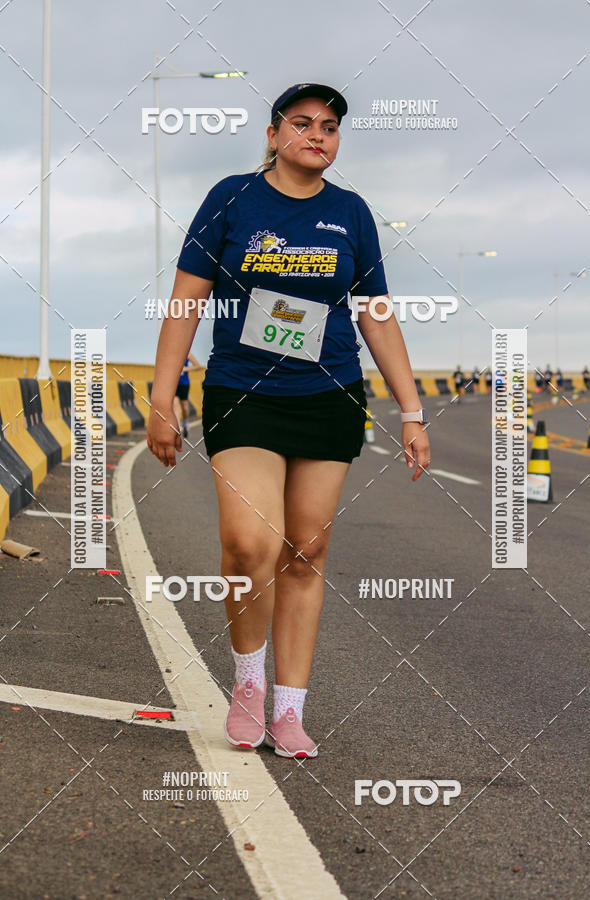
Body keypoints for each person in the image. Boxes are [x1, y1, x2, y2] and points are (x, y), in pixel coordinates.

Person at [146, 82, 430, 759]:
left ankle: (290, 710)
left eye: (329, 127)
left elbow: (376, 315)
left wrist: (412, 412)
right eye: (302, 124)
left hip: (329, 394)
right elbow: (186, 302)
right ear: (273, 135)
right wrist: (164, 397)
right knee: (250, 544)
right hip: (245, 392)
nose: (317, 136)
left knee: (306, 553)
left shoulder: (351, 213)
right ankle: (248, 680)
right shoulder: (232, 199)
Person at [174, 353, 201, 437]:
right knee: (175, 405)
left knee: (185, 407)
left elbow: (198, 366)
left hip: (184, 384)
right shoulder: (171, 352)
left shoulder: (187, 353)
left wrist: (185, 369)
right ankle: (177, 427)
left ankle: (185, 423)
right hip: (173, 383)